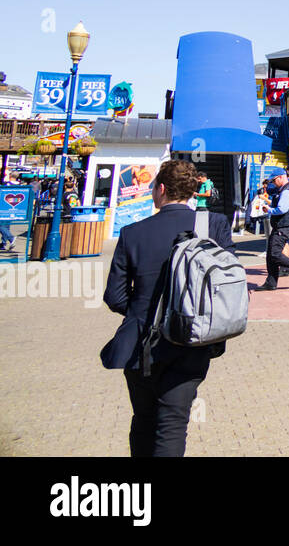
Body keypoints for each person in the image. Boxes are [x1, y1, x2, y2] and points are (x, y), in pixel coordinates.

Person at [101, 159, 224, 456]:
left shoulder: (133, 232)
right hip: (193, 341)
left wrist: (145, 310)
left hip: (141, 342)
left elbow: (115, 296)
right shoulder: (214, 226)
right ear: (192, 192)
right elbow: (225, 286)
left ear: (162, 189)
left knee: (143, 419)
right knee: (172, 425)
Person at [257, 171, 289, 291]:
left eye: (274, 181)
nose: (273, 184)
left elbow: (282, 209)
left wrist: (269, 210)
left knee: (274, 254)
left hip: (283, 227)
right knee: (271, 254)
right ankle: (271, 282)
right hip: (282, 226)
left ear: (280, 177)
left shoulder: (287, 191)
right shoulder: (285, 190)